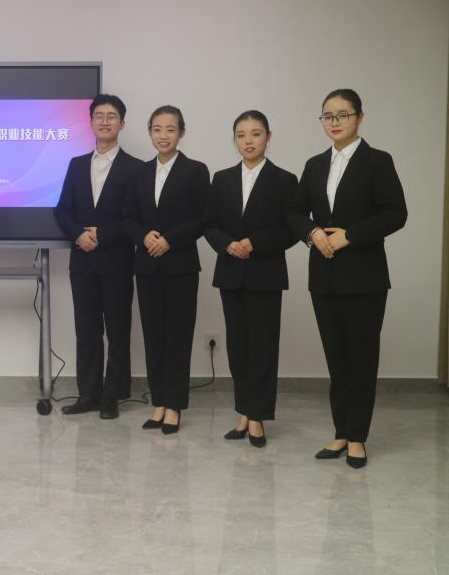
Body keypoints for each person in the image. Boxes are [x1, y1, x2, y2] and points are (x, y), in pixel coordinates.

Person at [288, 89, 407, 468]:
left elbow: (396, 214)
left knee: (361, 359)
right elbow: (293, 212)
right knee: (337, 360)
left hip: (364, 278)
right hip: (324, 277)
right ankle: (341, 431)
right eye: (328, 116)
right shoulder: (314, 164)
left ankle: (358, 437)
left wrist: (349, 236)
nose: (335, 122)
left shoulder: (378, 161)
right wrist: (312, 233)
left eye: (343, 114)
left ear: (360, 117)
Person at [204, 110, 297, 448]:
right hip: (231, 272)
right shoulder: (221, 178)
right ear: (235, 139)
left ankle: (257, 416)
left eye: (255, 134)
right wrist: (227, 244)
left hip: (265, 274)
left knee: (263, 347)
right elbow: (209, 223)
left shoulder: (285, 180)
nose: (248, 141)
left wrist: (254, 243)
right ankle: (244, 411)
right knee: (238, 348)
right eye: (241, 135)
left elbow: (291, 228)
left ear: (268, 137)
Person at [123, 105, 209, 434]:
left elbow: (203, 218)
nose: (163, 135)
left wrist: (170, 240)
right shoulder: (139, 173)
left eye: (170, 129)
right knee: (153, 336)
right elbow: (128, 217)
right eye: (157, 129)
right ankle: (159, 402)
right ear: (150, 132)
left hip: (180, 266)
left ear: (181, 132)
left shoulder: (196, 171)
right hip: (147, 266)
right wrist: (144, 236)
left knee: (178, 337)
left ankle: (174, 406)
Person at [55, 93, 142, 419]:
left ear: (122, 123)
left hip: (117, 261)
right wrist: (79, 235)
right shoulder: (77, 164)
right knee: (87, 331)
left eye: (111, 116)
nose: (105, 121)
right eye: (99, 116)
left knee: (118, 332)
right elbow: (62, 210)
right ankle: (88, 394)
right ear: (91, 122)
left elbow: (135, 219)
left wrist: (101, 235)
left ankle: (112, 397)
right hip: (82, 262)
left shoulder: (135, 168)